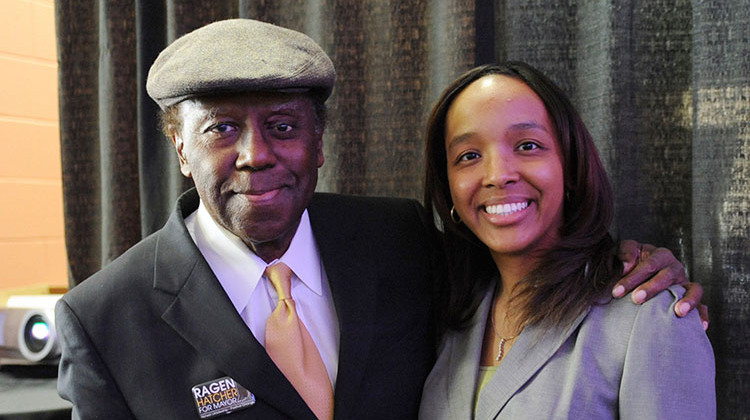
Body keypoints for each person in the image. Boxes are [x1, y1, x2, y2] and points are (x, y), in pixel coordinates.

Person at [54, 20, 701, 419]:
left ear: (319, 142)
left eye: (282, 127)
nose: (255, 156)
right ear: (179, 146)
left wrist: (638, 267)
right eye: (221, 129)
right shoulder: (107, 319)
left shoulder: (401, 245)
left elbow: (540, 268)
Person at [418, 62, 715, 419]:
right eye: (469, 156)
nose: (498, 175)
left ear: (571, 168)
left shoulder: (652, 316)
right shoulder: (448, 312)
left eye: (528, 145)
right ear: (448, 185)